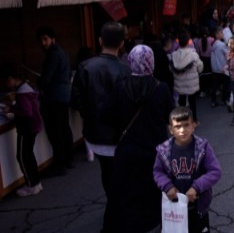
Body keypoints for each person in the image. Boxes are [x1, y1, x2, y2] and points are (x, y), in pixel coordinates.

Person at [72, 22, 131, 233]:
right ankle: (118, 214)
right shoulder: (125, 70)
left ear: (100, 41)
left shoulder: (86, 67)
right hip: (120, 135)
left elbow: (76, 98)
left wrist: (88, 114)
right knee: (121, 175)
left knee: (107, 173)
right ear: (122, 44)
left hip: (96, 134)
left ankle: (114, 209)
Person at [109, 45, 173, 232]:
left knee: (131, 193)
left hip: (128, 151)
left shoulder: (120, 87)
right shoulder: (161, 88)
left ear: (130, 62)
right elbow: (171, 116)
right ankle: (153, 224)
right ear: (150, 62)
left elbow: (106, 114)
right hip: (155, 149)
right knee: (154, 192)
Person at [153, 107, 222, 233]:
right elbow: (158, 171)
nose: (182, 130)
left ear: (194, 125)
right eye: (177, 126)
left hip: (197, 207)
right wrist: (167, 186)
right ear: (170, 129)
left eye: (186, 125)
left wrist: (196, 187)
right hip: (174, 208)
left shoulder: (203, 147)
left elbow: (215, 171)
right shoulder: (163, 150)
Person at [1, 64, 43, 196]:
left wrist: (12, 109)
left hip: (27, 128)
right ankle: (36, 183)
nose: (7, 85)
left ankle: (31, 185)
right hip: (32, 126)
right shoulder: (27, 87)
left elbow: (26, 111)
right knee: (28, 155)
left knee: (22, 157)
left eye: (6, 82)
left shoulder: (21, 92)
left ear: (10, 79)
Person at [36, 26, 73, 176]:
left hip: (54, 98)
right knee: (64, 128)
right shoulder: (62, 52)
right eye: (41, 40)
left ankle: (60, 163)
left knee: (55, 131)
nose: (43, 43)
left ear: (53, 39)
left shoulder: (53, 55)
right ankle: (68, 159)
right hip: (63, 96)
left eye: (45, 39)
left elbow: (46, 79)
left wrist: (38, 81)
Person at [171, 31, 204, 122]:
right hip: (191, 83)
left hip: (179, 82)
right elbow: (200, 66)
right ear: (188, 42)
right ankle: (194, 119)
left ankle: (183, 119)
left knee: (181, 101)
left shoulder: (174, 55)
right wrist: (198, 72)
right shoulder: (193, 54)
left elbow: (171, 68)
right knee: (192, 101)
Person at [210, 27, 230, 108]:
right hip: (222, 68)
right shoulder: (222, 45)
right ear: (217, 35)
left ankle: (213, 101)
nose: (223, 34)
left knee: (214, 86)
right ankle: (224, 100)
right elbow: (228, 54)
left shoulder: (213, 44)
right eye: (221, 33)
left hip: (215, 68)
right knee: (226, 84)